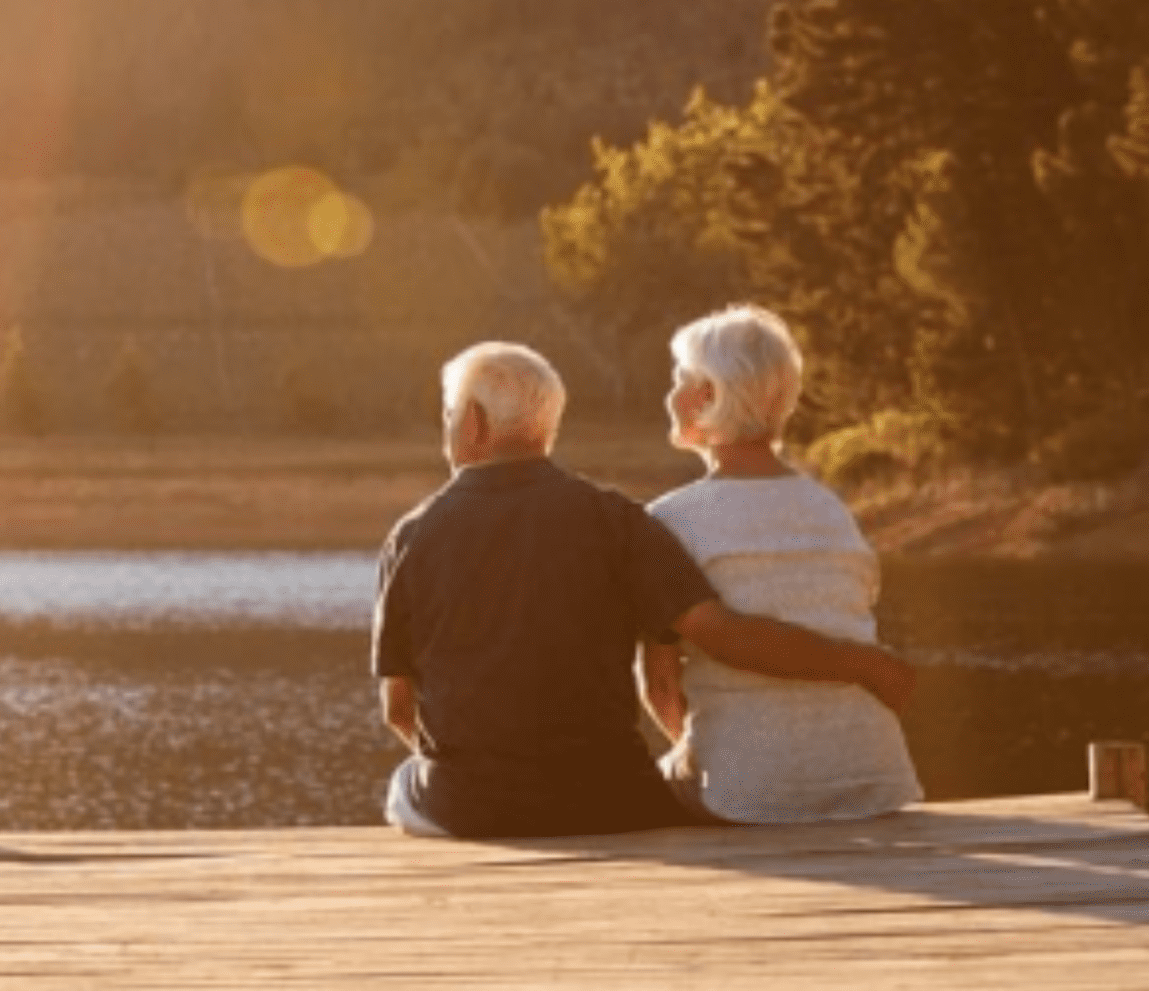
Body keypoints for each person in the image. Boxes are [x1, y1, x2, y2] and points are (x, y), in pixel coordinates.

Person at [372, 340, 915, 839]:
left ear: (472, 424)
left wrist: (484, 778)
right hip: (613, 802)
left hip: (471, 808)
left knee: (402, 787)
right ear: (547, 425)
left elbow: (399, 708)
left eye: (447, 414)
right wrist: (864, 664)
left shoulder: (412, 537)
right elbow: (718, 631)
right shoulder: (619, 521)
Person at [637, 306, 924, 822]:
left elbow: (660, 686)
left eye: (680, 380)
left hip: (745, 793)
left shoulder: (667, 520)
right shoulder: (832, 511)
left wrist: (729, 757)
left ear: (708, 397)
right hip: (872, 777)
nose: (669, 395)